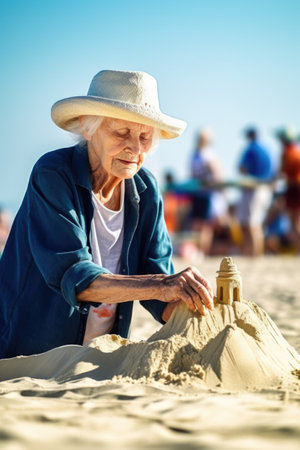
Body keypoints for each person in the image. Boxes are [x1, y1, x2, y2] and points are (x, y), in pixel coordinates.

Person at [0, 69, 214, 358]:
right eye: (121, 132)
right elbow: (76, 278)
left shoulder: (146, 189)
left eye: (145, 136)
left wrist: (188, 299)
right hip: (31, 357)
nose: (134, 148)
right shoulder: (53, 174)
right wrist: (163, 286)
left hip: (98, 358)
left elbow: (158, 283)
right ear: (88, 129)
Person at [236, 127, 273, 256]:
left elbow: (241, 168)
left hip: (254, 189)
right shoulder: (266, 150)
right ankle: (252, 254)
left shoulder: (251, 149)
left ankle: (254, 254)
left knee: (251, 223)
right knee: (252, 222)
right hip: (264, 189)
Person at [189, 128, 226, 255]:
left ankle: (203, 252)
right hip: (197, 193)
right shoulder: (195, 154)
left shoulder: (209, 154)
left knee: (205, 225)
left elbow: (217, 174)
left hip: (206, 193)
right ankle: (198, 250)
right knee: (196, 223)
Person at [276, 126, 300, 252]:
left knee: (294, 223)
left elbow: (281, 173)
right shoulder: (296, 152)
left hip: (294, 189)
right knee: (295, 223)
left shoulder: (288, 153)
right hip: (294, 189)